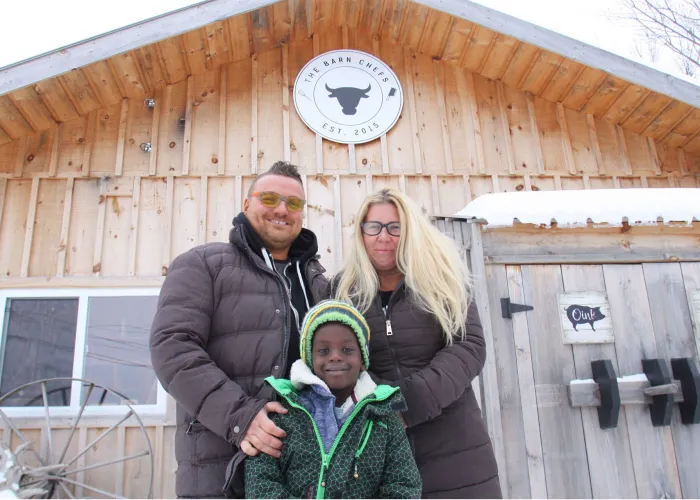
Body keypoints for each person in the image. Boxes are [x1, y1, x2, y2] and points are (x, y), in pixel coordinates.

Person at [150, 161, 329, 498]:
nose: (281, 209)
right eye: (270, 198)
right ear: (246, 205)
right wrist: (241, 416)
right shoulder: (204, 265)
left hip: (308, 475)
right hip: (223, 471)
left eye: (293, 203)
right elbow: (172, 348)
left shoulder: (318, 283)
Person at [329, 188, 502, 498]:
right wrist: (380, 405)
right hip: (375, 445)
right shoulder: (341, 291)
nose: (384, 236)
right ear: (361, 232)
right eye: (374, 227)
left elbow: (469, 346)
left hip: (456, 445)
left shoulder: (441, 280)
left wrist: (407, 404)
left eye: (395, 227)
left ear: (410, 231)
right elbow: (332, 360)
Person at [241, 300, 422, 499]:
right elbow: (261, 481)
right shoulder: (285, 411)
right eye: (323, 351)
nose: (335, 357)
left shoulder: (383, 417)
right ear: (309, 359)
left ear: (363, 360)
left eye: (347, 350)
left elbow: (403, 486)